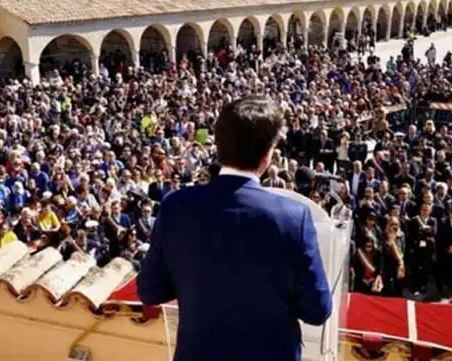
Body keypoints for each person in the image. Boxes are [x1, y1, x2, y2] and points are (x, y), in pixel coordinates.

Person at [137, 96, 333, 361]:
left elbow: (150, 291)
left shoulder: (176, 207)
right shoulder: (293, 217)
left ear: (218, 147)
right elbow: (317, 310)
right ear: (268, 155)